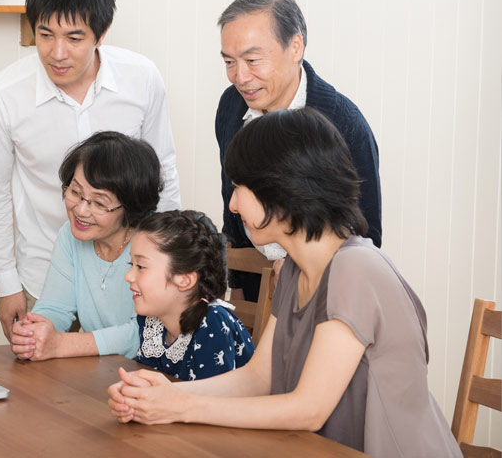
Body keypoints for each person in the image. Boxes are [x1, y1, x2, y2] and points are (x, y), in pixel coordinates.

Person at [108, 109, 461, 457]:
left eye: (238, 188)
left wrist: (178, 409)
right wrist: (173, 395)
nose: (232, 205)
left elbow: (308, 410)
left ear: (280, 190)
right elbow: (259, 378)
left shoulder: (356, 268)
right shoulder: (293, 269)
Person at [0, 0, 181, 340]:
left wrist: (165, 265)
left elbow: (163, 176)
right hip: (43, 277)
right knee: (51, 387)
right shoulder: (4, 95)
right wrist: (7, 285)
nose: (57, 53)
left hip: (134, 272)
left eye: (74, 38)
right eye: (45, 34)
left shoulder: (142, 79)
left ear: (101, 34)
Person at [214, 0, 381, 302]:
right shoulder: (231, 107)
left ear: (295, 47)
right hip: (255, 288)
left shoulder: (343, 124)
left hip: (324, 295)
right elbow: (231, 202)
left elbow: (366, 232)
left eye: (252, 60)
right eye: (229, 62)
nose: (240, 76)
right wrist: (236, 286)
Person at [9, 131, 162, 360]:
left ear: (130, 207)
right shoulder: (70, 237)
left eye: (99, 203)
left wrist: (60, 345)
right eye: (75, 192)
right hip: (101, 373)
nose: (80, 210)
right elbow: (56, 307)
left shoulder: (155, 246)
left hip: (155, 374)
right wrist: (35, 332)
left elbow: (140, 334)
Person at [127, 210, 253, 381]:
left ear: (185, 280)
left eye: (140, 266)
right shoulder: (151, 321)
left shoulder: (213, 323)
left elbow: (211, 403)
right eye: (131, 264)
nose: (128, 276)